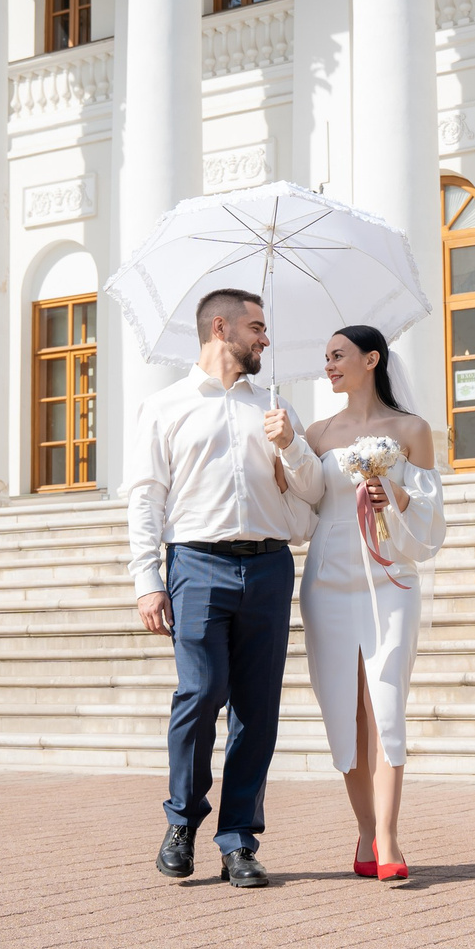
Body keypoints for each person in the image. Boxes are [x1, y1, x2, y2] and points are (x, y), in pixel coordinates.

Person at [127, 288, 323, 888]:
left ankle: (238, 839)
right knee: (201, 692)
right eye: (256, 326)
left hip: (268, 566)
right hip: (196, 566)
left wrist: (290, 445)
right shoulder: (165, 406)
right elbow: (146, 496)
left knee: (257, 711)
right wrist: (147, 579)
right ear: (221, 328)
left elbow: (313, 494)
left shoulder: (274, 408)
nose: (265, 338)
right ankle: (182, 819)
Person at [299, 325, 444, 883]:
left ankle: (388, 837)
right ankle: (364, 830)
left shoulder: (412, 429)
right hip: (329, 579)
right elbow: (302, 503)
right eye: (325, 357)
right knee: (346, 706)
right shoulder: (316, 433)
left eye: (337, 356)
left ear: (371, 359)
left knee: (385, 702)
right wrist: (284, 446)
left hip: (392, 578)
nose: (329, 365)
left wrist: (398, 494)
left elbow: (431, 516)